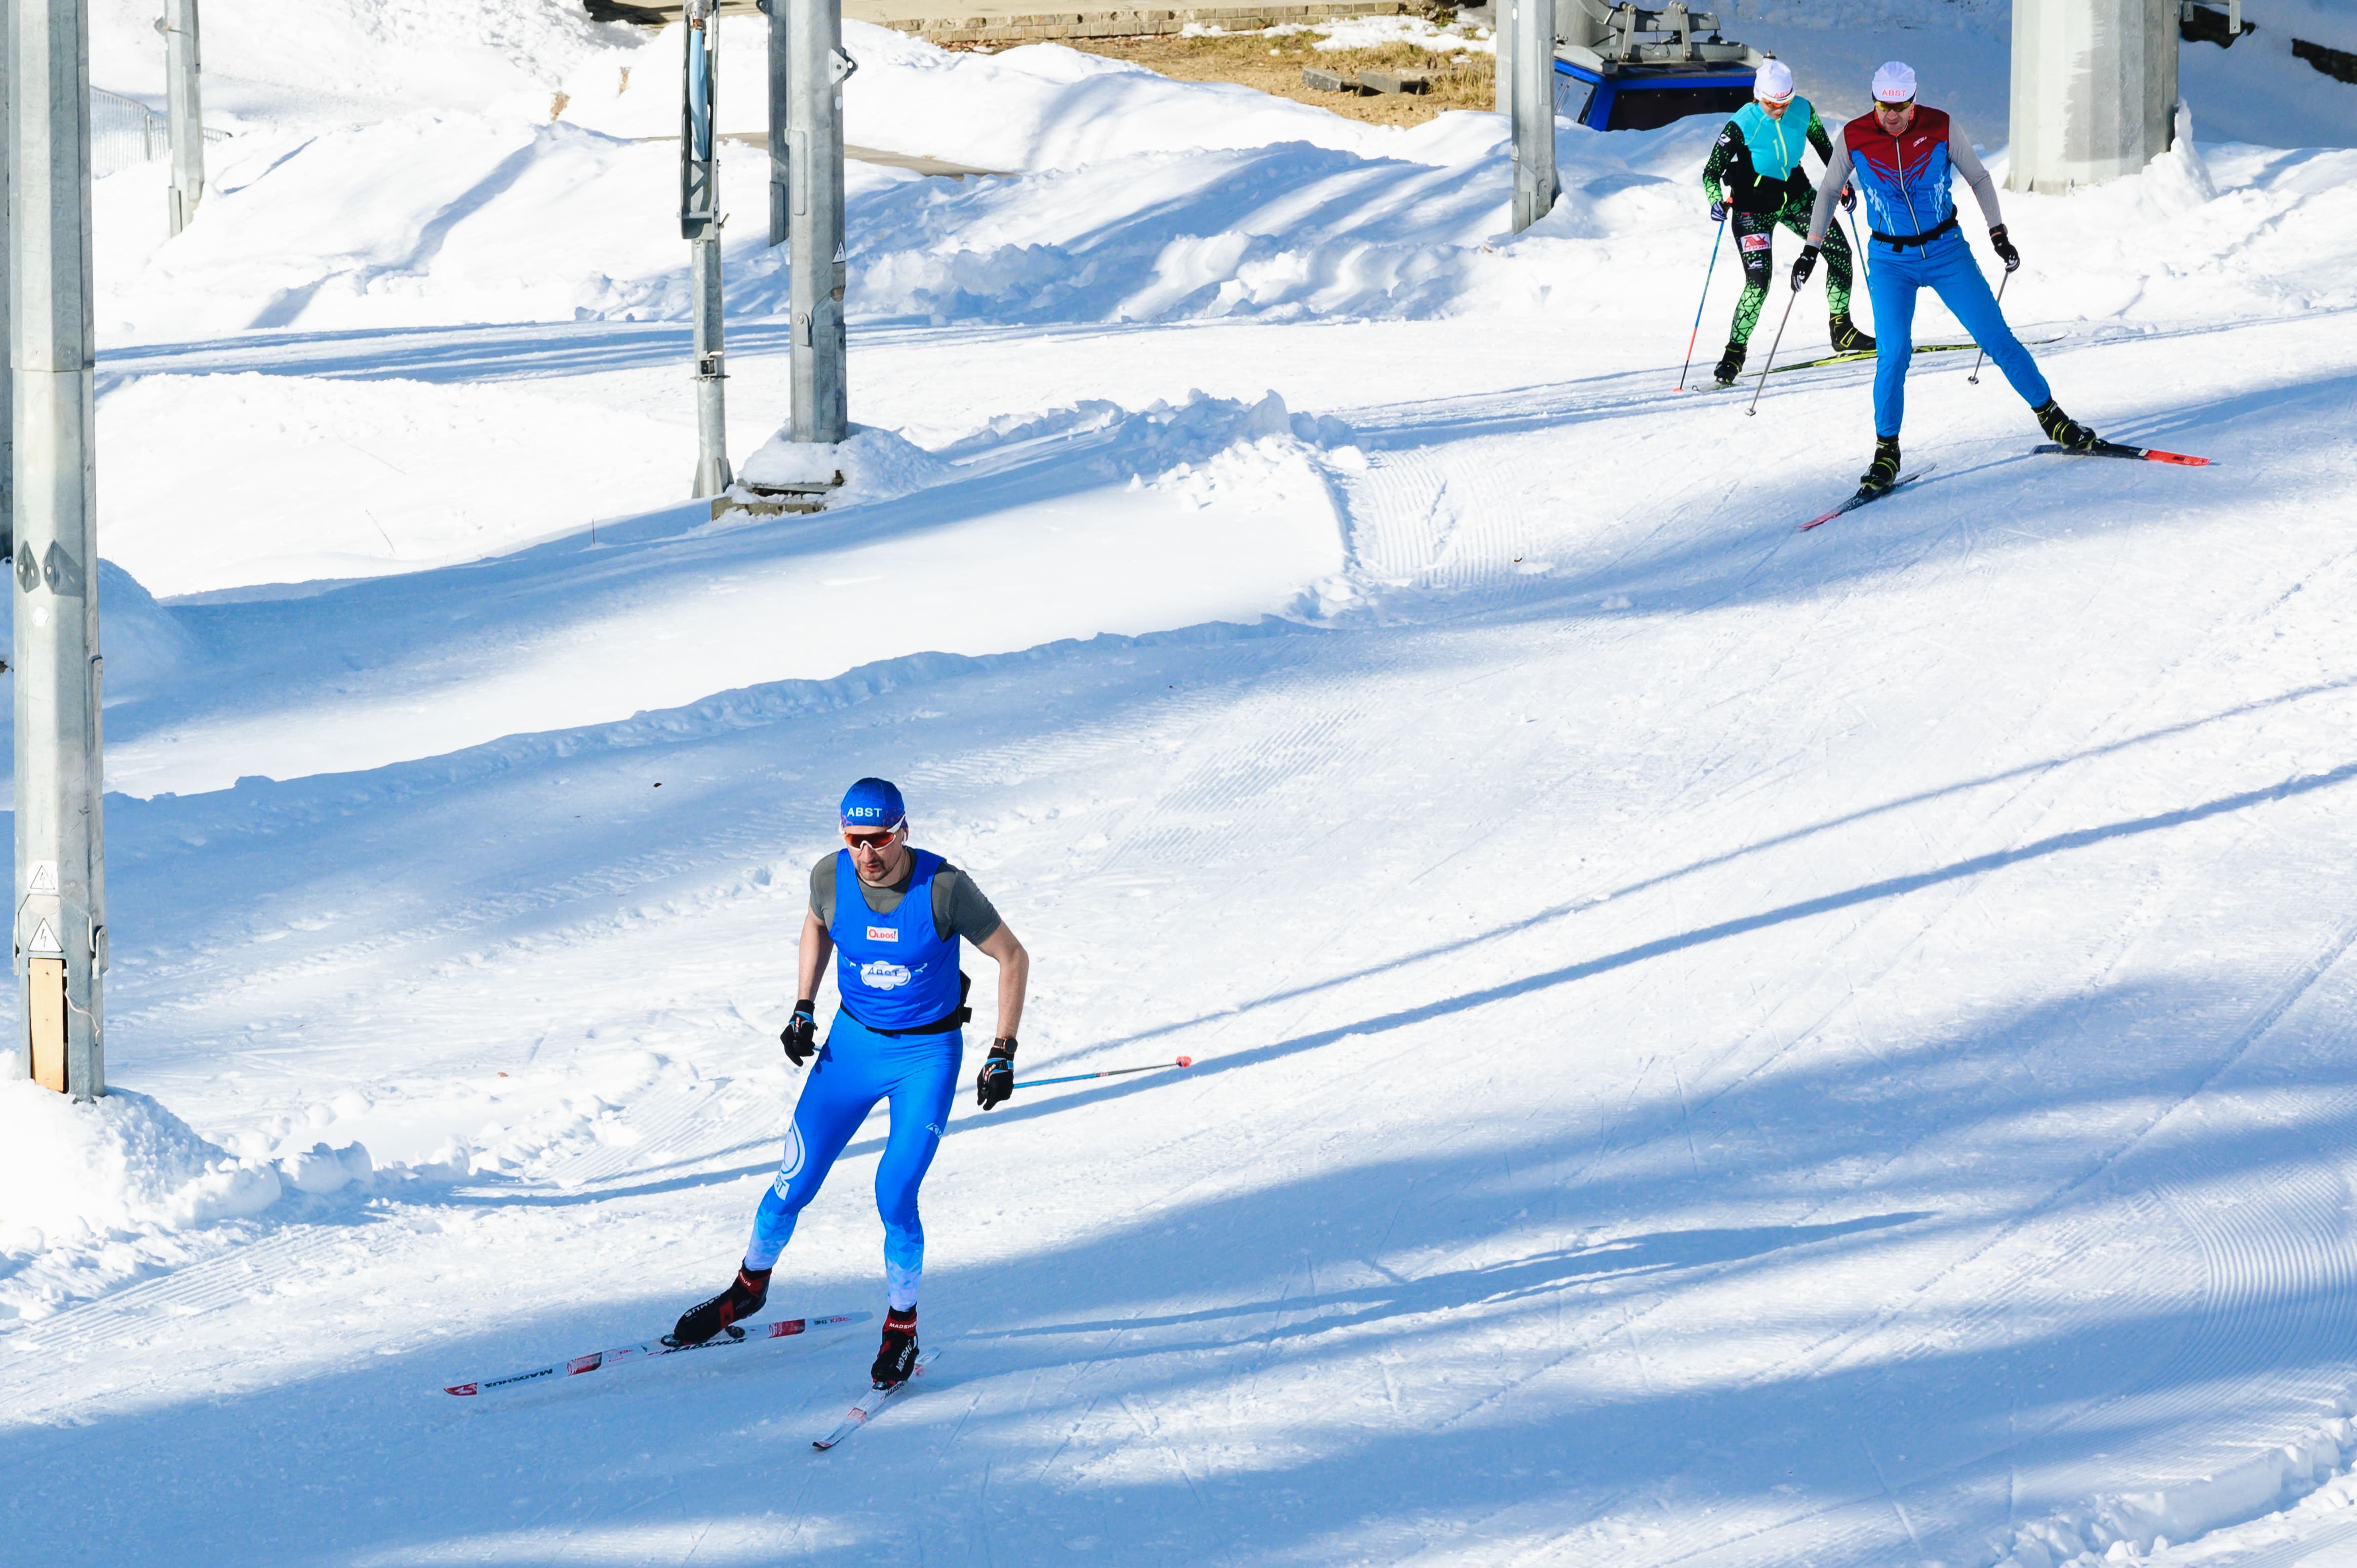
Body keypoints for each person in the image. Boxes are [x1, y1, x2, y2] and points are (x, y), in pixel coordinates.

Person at [669, 777, 1031, 1390]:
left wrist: (1002, 1051)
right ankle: (748, 1286)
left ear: (903, 831)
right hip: (853, 1045)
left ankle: (902, 1327)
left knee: (894, 1192)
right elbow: (815, 926)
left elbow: (1012, 956)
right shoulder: (829, 877)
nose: (868, 853)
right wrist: (802, 1006)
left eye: (881, 838)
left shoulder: (944, 887)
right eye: (855, 839)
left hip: (925, 1055)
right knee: (792, 1181)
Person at [1792, 60, 2099, 493]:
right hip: (1890, 260)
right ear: (1874, 101)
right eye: (1884, 107)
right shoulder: (1855, 136)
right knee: (1894, 353)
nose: (1893, 116)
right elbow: (1827, 191)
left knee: (1997, 338)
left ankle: (2053, 418)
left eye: (1902, 107)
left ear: (1914, 101)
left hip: (1945, 251)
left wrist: (1997, 232)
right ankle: (1886, 452)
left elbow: (1979, 177)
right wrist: (1812, 248)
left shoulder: (1941, 126)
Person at [1700, 58, 1873, 388]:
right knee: (1759, 283)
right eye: (1772, 104)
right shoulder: (1742, 124)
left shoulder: (1803, 110)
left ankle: (1842, 330)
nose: (1779, 110)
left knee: (1840, 252)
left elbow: (1828, 152)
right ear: (1758, 97)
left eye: (1785, 103)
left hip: (1796, 196)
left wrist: (1843, 184)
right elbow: (1711, 172)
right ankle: (1734, 354)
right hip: (1752, 209)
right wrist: (1715, 200)